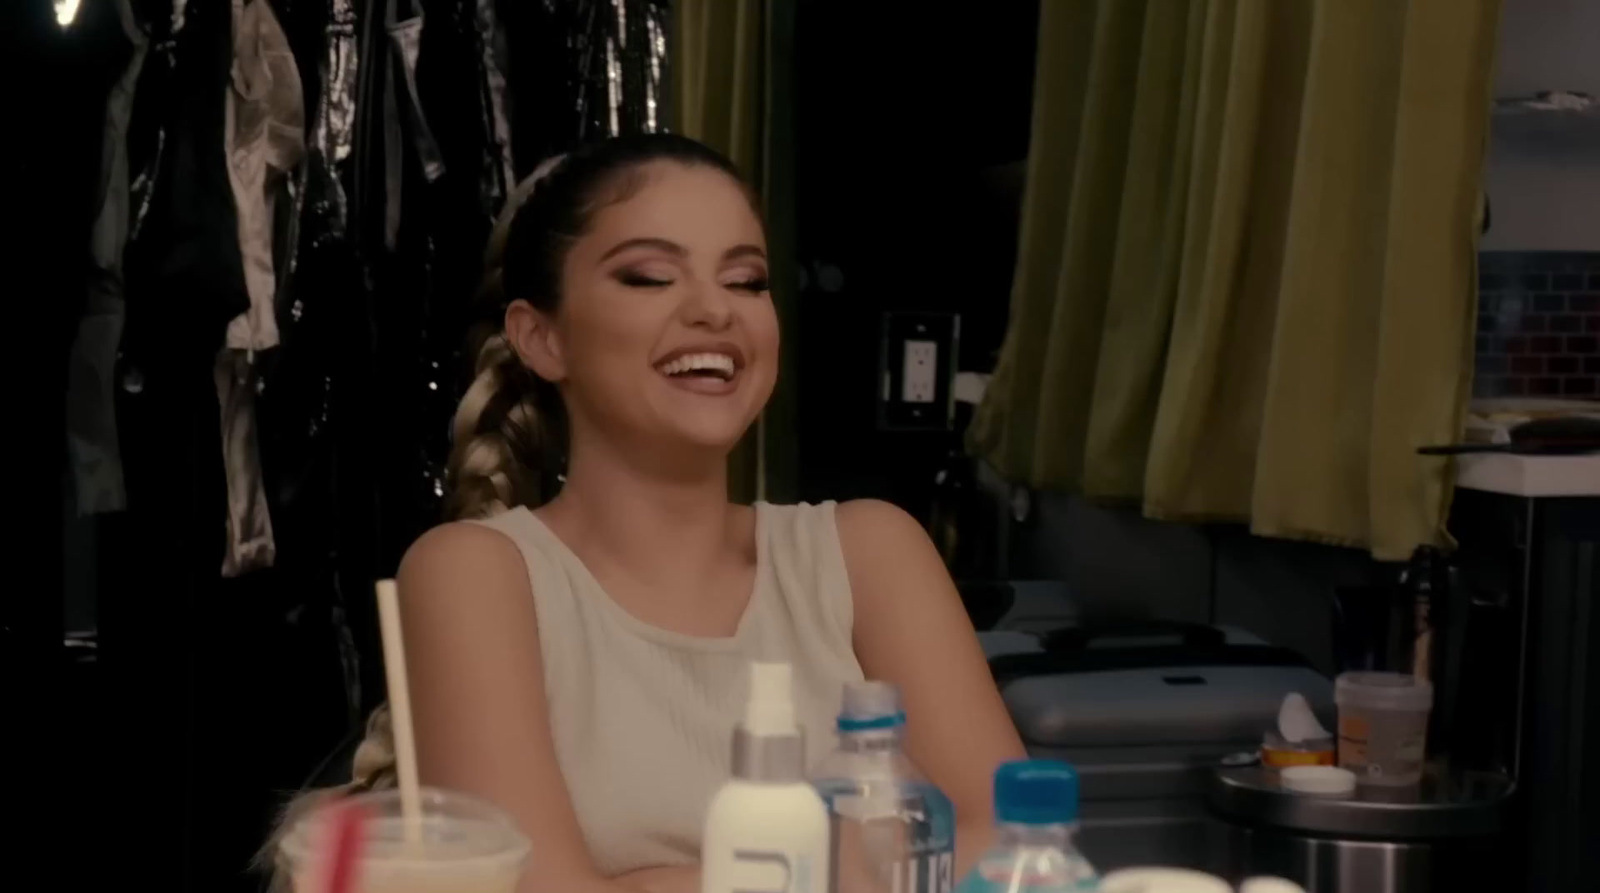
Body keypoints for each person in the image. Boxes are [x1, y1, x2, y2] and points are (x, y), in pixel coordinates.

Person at [301, 134, 1024, 893]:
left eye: (747, 281)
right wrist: (847, 869)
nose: (715, 309)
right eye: (650, 276)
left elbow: (1019, 849)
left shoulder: (872, 551)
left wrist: (663, 882)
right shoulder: (475, 575)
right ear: (542, 338)